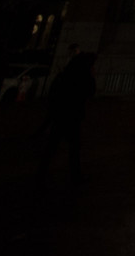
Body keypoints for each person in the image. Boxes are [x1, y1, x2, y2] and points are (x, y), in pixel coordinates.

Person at [39, 50, 96, 184]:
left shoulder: (64, 75)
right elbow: (90, 92)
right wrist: (92, 77)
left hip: (60, 115)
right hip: (72, 117)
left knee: (52, 146)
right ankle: (75, 176)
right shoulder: (83, 77)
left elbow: (53, 93)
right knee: (74, 148)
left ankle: (41, 172)